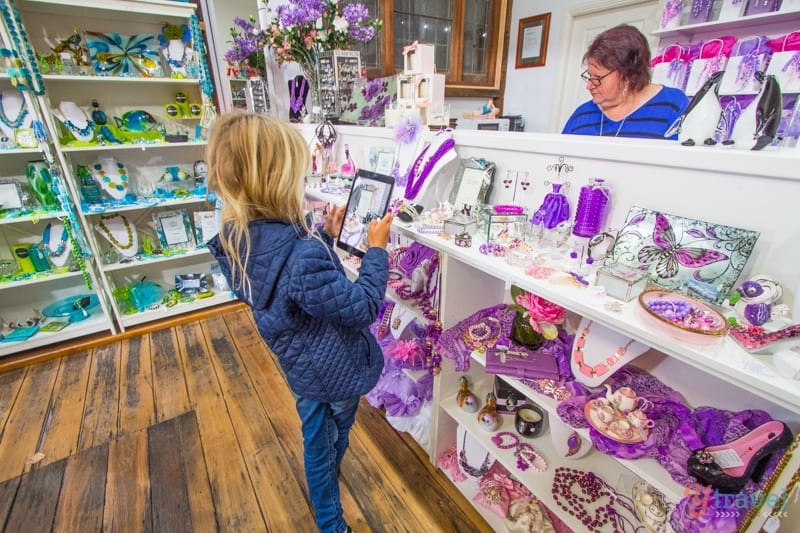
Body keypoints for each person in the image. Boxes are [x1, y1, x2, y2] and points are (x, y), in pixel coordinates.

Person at [206, 111, 393, 533]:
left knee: (320, 436)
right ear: (278, 180)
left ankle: (328, 478)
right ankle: (331, 522)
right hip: (332, 370)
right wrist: (377, 251)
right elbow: (363, 307)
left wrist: (324, 237)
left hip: (304, 367)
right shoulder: (299, 254)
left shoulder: (240, 240)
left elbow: (292, 289)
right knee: (327, 441)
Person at [561, 24, 688, 140]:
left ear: (628, 75)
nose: (589, 86)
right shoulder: (581, 116)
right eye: (589, 76)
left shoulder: (673, 105)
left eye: (598, 78)